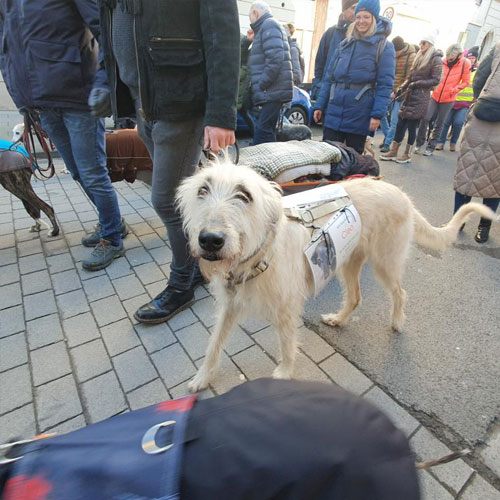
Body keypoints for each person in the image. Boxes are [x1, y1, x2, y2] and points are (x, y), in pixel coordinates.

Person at [94, 1, 240, 323]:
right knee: (182, 198)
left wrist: (220, 115)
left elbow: (223, 34)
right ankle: (200, 267)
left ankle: (182, 283)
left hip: (180, 103)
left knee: (168, 201)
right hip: (145, 101)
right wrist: (108, 83)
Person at [0, 0, 127, 271]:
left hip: (78, 95)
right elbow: (7, 49)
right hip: (42, 101)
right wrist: (22, 98)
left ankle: (112, 238)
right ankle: (112, 222)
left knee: (92, 172)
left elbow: (106, 29)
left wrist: (105, 83)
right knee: (76, 171)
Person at [313, 0, 395, 154]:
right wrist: (320, 105)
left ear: (374, 18)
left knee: (352, 160)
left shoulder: (384, 46)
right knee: (327, 156)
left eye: (366, 17)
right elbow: (329, 78)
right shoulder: (345, 43)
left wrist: (377, 115)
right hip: (334, 110)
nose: (361, 21)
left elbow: (385, 84)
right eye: (358, 17)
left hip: (359, 113)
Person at [453, 41, 500, 244]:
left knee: (479, 173)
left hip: (483, 111)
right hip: (484, 113)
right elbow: (480, 77)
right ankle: (482, 227)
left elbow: (480, 77)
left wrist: (480, 99)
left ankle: (461, 222)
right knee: (494, 177)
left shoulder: (498, 46)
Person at [381, 34, 443, 163]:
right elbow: (410, 76)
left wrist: (417, 84)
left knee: (411, 126)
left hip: (421, 97)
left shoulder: (436, 59)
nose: (421, 45)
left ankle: (407, 154)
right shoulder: (419, 56)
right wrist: (402, 87)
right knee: (400, 124)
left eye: (424, 43)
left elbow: (436, 80)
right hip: (409, 95)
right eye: (420, 42)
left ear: (430, 44)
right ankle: (393, 151)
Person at [248, 2, 293, 145]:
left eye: (250, 18)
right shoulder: (267, 26)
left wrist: (262, 84)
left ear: (255, 13)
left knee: (263, 133)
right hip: (272, 91)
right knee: (266, 131)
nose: (251, 22)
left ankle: (263, 165)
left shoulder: (268, 25)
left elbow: (275, 59)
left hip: (271, 91)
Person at [415, 43, 471, 156]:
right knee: (425, 118)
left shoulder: (465, 63)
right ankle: (419, 143)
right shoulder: (442, 61)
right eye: (447, 56)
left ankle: (431, 146)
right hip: (435, 95)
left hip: (449, 98)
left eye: (451, 57)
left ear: (459, 55)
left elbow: (466, 82)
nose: (449, 59)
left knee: (440, 123)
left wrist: (454, 89)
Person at [312, 0, 358, 99]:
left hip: (349, 99)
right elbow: (319, 64)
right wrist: (318, 87)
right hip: (326, 96)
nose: (357, 12)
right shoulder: (330, 33)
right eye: (353, 8)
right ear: (344, 10)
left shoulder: (362, 35)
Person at [436, 46, 479, 152]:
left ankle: (453, 142)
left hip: (465, 103)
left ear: (476, 59)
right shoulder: (459, 67)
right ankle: (440, 142)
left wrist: (475, 98)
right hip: (452, 99)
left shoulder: (477, 71)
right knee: (446, 122)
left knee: (458, 122)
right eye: (469, 57)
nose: (471, 59)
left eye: (473, 58)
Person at [379, 36, 417, 152]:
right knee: (381, 114)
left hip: (401, 94)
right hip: (389, 91)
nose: (394, 53)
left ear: (401, 49)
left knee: (395, 120)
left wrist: (397, 91)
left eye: (396, 51)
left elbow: (409, 78)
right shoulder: (391, 54)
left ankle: (388, 143)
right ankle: (387, 136)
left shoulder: (411, 57)